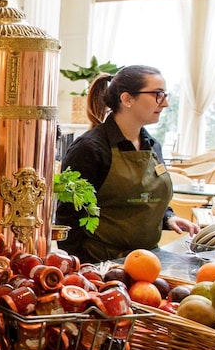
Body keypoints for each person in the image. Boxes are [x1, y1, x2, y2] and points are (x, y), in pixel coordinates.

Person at [55, 64, 199, 263]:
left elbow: (149, 196)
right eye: (157, 94)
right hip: (100, 265)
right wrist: (81, 269)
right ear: (127, 99)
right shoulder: (89, 149)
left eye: (165, 95)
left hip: (147, 261)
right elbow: (68, 218)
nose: (165, 103)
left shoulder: (153, 146)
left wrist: (168, 217)